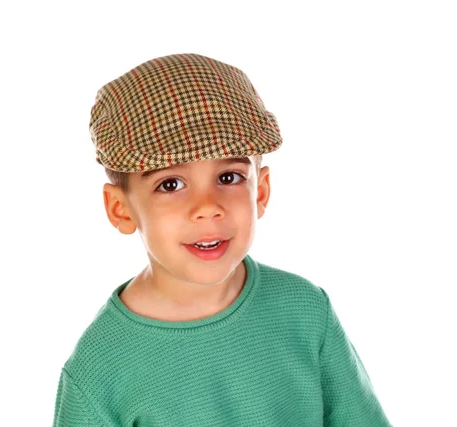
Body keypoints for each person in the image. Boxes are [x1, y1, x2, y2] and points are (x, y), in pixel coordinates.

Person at [52, 53, 393, 426]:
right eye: (170, 184)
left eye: (229, 177)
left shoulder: (306, 311)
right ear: (121, 209)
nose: (207, 208)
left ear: (260, 191)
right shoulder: (99, 370)